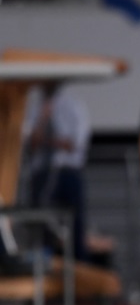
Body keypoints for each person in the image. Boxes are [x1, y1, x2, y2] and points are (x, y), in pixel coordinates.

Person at [22, 80, 91, 263]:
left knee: (75, 223)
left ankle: (79, 265)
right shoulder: (33, 107)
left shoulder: (74, 105)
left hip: (68, 171)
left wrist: (47, 142)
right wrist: (43, 119)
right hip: (41, 173)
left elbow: (74, 144)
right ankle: (43, 266)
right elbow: (30, 143)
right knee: (40, 223)